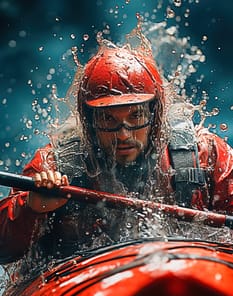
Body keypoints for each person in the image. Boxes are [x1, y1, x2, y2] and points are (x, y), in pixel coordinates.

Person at [1, 35, 233, 273]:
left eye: (136, 116)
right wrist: (30, 208)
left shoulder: (207, 156)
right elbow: (4, 249)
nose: (123, 135)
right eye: (107, 120)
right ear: (90, 123)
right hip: (84, 287)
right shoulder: (53, 167)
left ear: (155, 116)